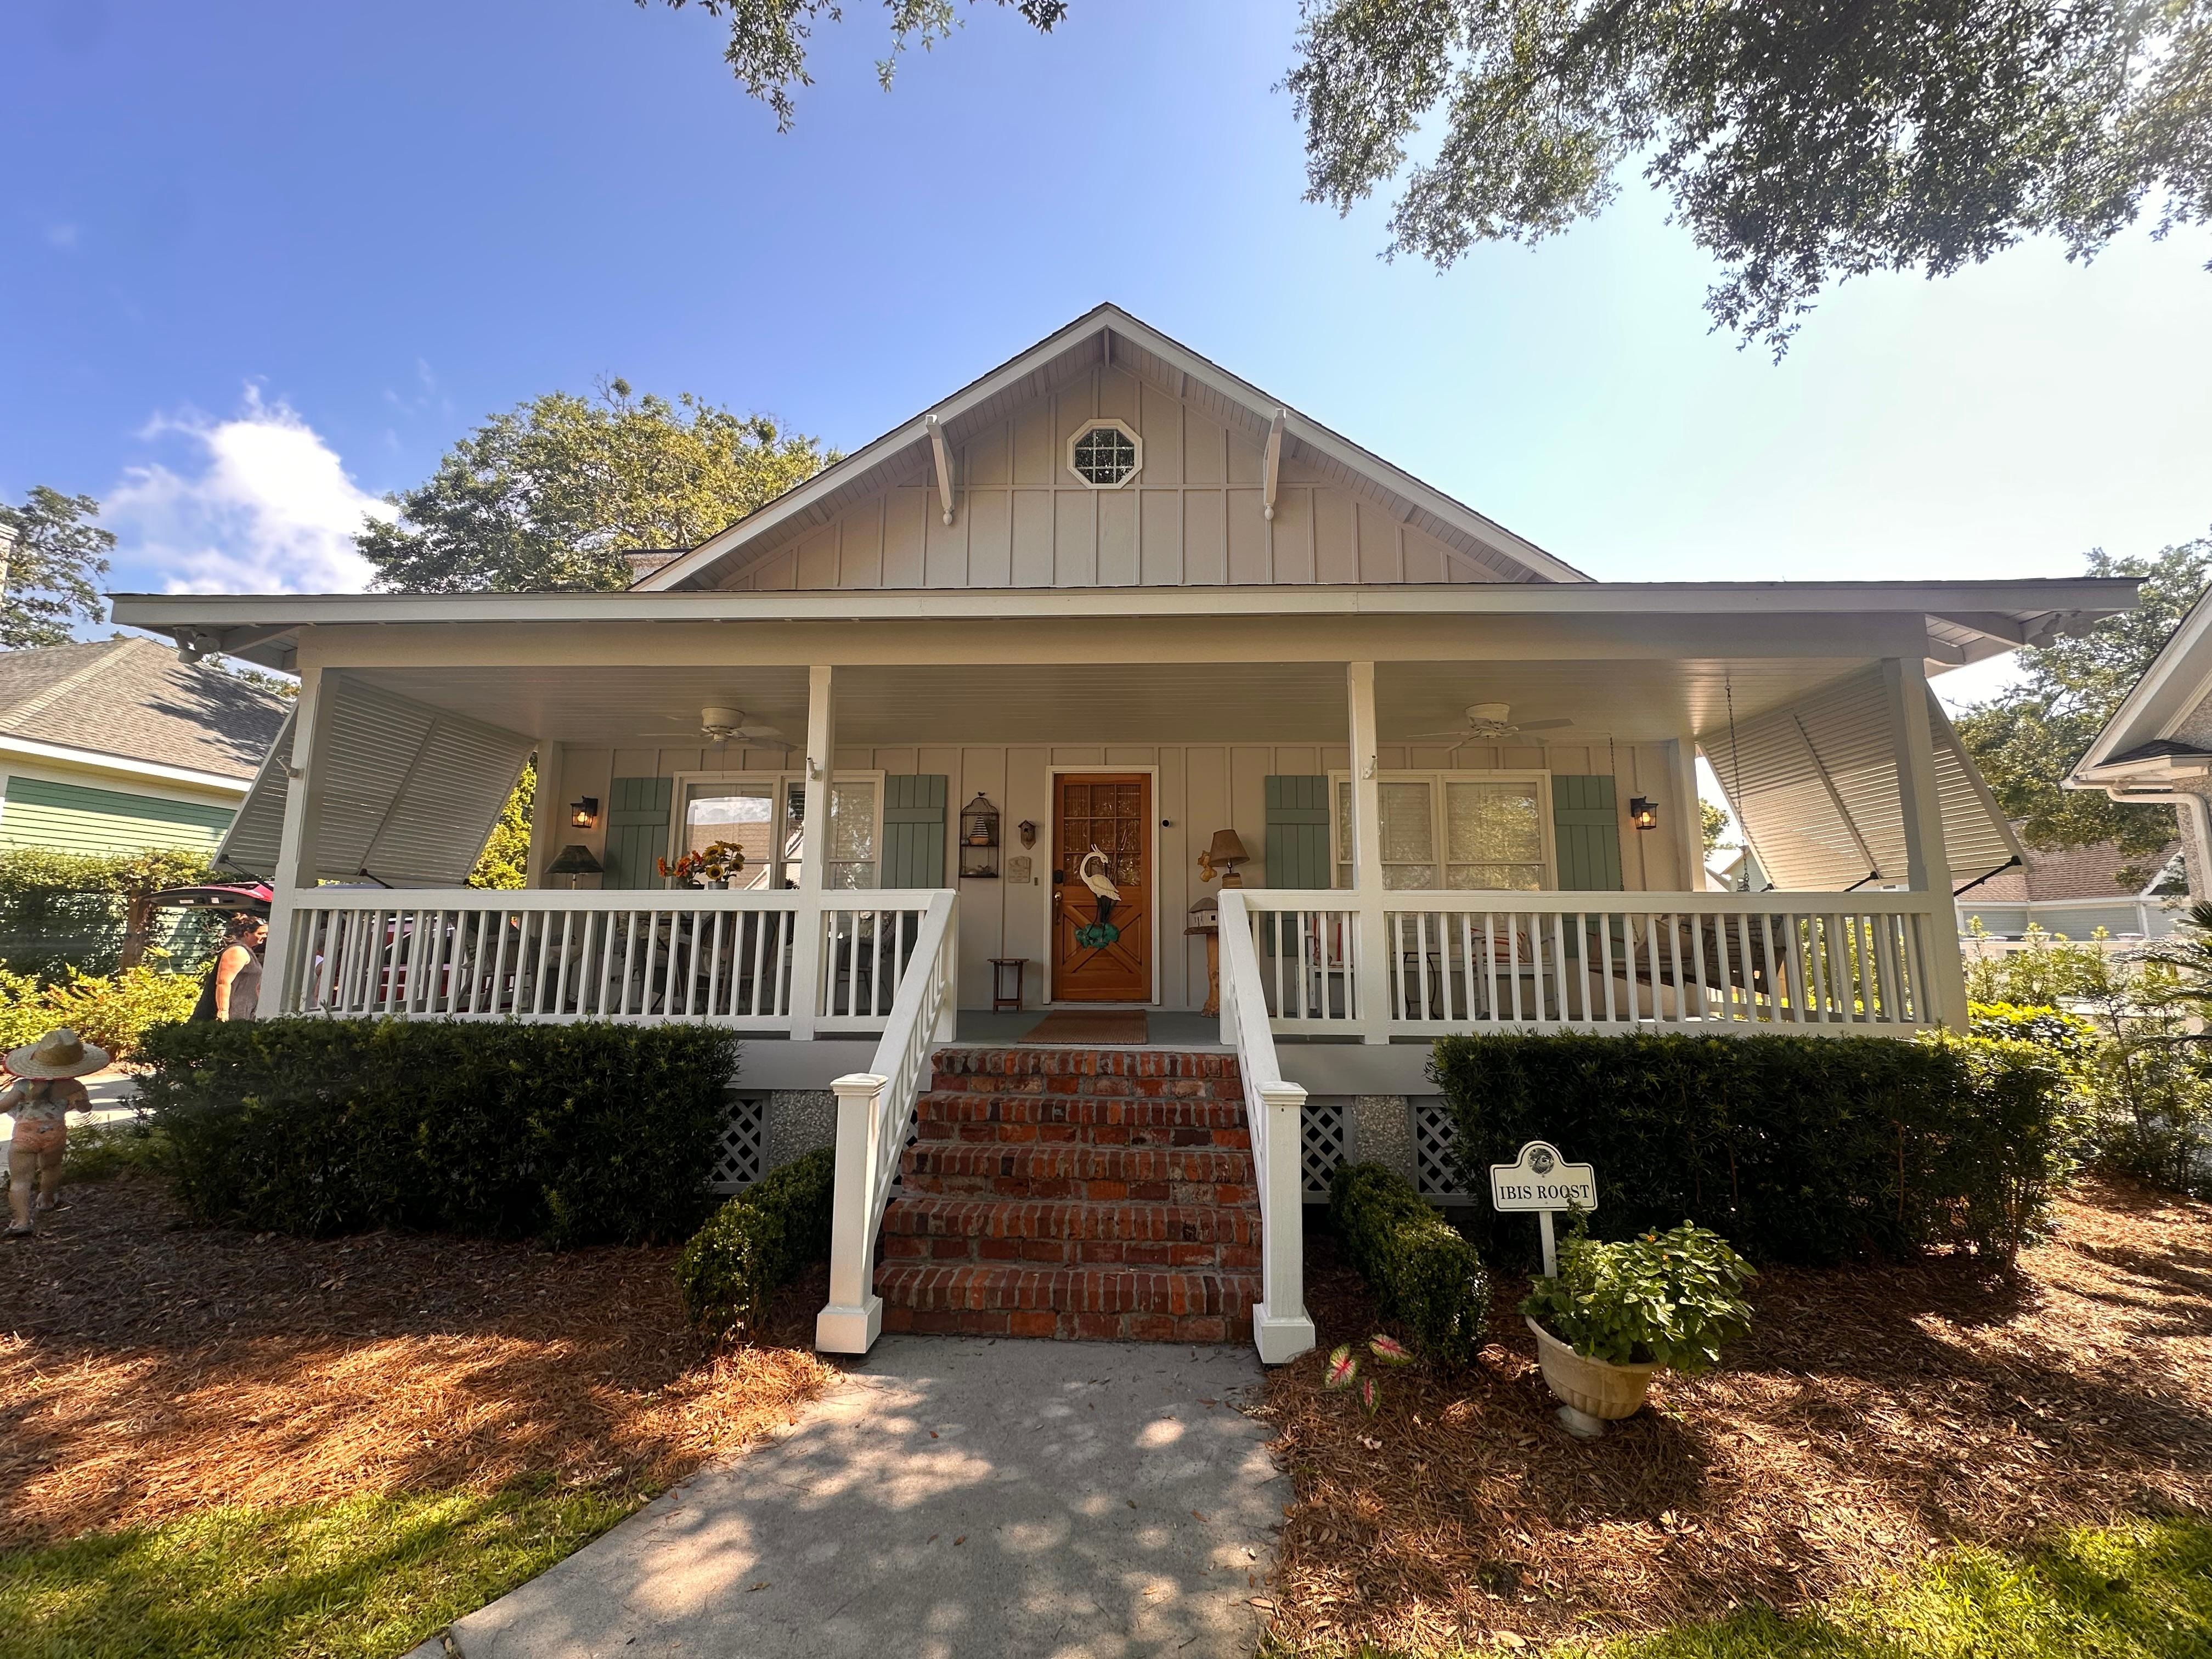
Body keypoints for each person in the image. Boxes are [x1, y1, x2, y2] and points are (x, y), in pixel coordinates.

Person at [3, 1026, 108, 1238]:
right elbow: (84, 1108)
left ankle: (22, 1222)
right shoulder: (74, 1086)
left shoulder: (25, 1086)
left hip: (25, 1136)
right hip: (55, 1134)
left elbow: (4, 1106)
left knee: (20, 1180)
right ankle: (47, 1200)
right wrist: (83, 1103)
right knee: (51, 1168)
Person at [192, 912, 267, 1022]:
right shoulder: (237, 951)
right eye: (261, 933)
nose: (265, 936)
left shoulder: (248, 951)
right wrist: (223, 1012)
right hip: (229, 1016)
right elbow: (223, 982)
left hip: (242, 1015)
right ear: (246, 934)